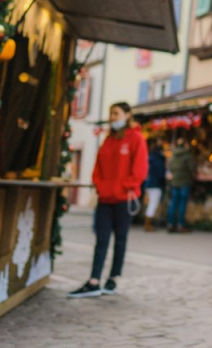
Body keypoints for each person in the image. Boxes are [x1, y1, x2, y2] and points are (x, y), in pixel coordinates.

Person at [68, 102, 148, 298]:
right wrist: (101, 186)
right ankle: (94, 280)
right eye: (111, 113)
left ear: (127, 115)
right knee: (101, 239)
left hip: (124, 198)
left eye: (116, 113)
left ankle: (113, 278)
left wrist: (126, 187)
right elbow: (98, 168)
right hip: (105, 198)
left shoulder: (136, 139)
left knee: (120, 240)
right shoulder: (108, 139)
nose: (113, 117)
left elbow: (139, 169)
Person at [166, 135, 196, 233]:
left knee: (173, 203)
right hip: (184, 182)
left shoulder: (173, 155)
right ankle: (180, 225)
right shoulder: (187, 156)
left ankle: (170, 224)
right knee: (182, 203)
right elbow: (192, 169)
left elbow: (169, 168)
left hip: (174, 182)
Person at [143, 139, 166, 232]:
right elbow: (160, 173)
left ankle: (148, 223)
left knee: (150, 204)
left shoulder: (149, 158)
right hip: (156, 184)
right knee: (153, 204)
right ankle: (148, 224)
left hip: (148, 183)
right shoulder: (159, 160)